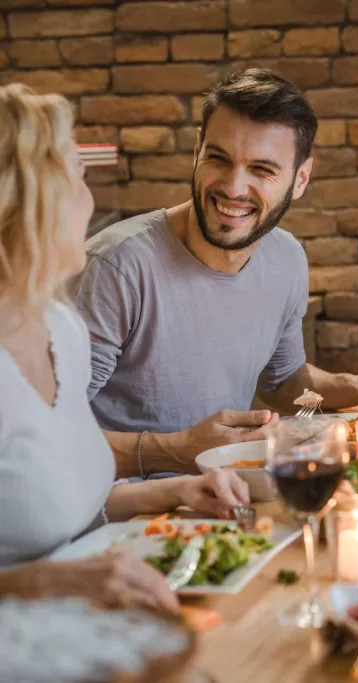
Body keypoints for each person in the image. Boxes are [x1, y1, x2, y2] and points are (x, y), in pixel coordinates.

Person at [72, 69, 358, 479]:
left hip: (230, 499)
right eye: (219, 159)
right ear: (197, 151)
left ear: (300, 179)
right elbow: (42, 435)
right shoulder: (117, 266)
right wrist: (174, 450)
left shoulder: (287, 259)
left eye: (262, 170)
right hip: (120, 517)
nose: (234, 188)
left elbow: (286, 387)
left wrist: (357, 387)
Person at [0, 83, 249, 614]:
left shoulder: (59, 330)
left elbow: (59, 507)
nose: (92, 203)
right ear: (32, 202)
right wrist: (45, 585)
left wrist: (178, 491)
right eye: (80, 179)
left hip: (91, 625)